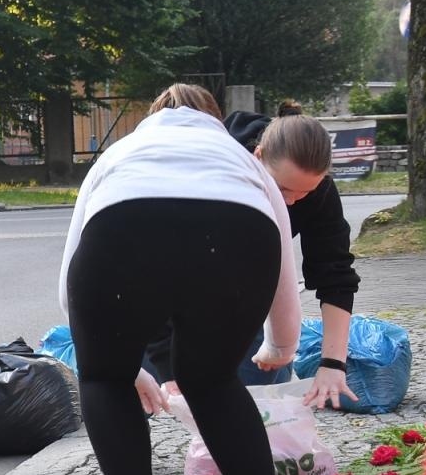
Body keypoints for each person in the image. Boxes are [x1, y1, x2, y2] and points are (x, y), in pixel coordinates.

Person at [58, 84, 303, 475]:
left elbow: (71, 275)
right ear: (213, 120)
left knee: (104, 380)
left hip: (124, 227)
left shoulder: (120, 152)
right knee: (212, 381)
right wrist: (281, 346)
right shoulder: (243, 161)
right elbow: (283, 268)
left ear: (151, 118)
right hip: (236, 233)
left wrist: (112, 359)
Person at [148, 111, 360, 410]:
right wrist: (165, 360)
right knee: (150, 388)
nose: (290, 202)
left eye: (305, 194)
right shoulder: (214, 175)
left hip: (247, 294)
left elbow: (335, 274)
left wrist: (332, 364)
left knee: (254, 402)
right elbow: (159, 273)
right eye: (283, 189)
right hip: (172, 296)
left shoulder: (318, 191)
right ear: (257, 157)